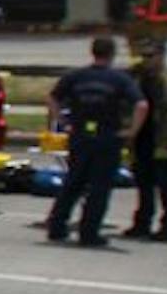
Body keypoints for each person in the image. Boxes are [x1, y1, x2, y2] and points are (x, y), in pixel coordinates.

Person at [44, 34, 147, 248]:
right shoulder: (120, 79)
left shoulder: (76, 76)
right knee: (99, 187)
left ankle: (57, 227)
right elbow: (141, 105)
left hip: (80, 135)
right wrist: (131, 132)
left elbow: (51, 97)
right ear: (112, 54)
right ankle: (89, 232)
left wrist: (63, 122)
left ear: (93, 52)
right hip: (107, 137)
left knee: (73, 182)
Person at [123, 43, 167, 243]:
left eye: (150, 55)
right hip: (142, 141)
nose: (146, 59)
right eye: (143, 55)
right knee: (143, 186)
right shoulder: (137, 79)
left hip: (164, 143)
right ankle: (142, 224)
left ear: (161, 56)